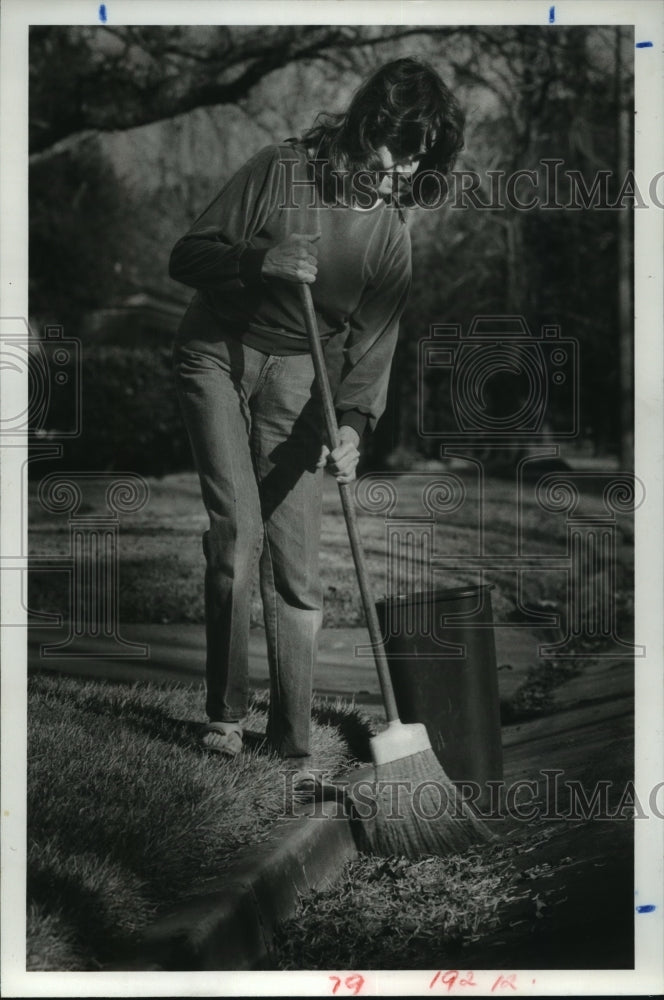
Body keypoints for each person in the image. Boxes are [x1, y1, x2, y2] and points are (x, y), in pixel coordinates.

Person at [169, 56, 464, 774]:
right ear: (366, 128)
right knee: (237, 531)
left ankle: (291, 738)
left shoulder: (391, 239)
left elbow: (373, 353)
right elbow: (187, 255)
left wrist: (355, 428)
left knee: (299, 568)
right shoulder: (282, 171)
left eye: (417, 156)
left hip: (301, 377)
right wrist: (260, 261)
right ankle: (226, 716)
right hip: (217, 353)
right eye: (392, 147)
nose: (397, 169)